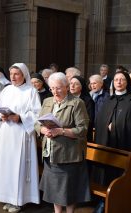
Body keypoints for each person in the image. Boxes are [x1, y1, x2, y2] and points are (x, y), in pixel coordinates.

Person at [35, 72, 90, 213]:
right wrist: (42, 130)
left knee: (69, 193)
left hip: (68, 155)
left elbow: (82, 130)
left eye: (58, 88)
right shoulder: (47, 101)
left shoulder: (77, 103)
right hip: (50, 153)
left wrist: (61, 131)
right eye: (52, 88)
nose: (55, 91)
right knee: (54, 192)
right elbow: (37, 123)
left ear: (66, 86)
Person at [0, 63, 41, 213]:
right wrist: (1, 116)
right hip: (6, 133)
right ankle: (7, 197)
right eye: (11, 74)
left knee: (18, 166)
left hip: (21, 133)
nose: (13, 77)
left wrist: (21, 117)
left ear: (23, 75)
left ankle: (18, 200)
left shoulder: (31, 91)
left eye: (16, 74)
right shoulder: (6, 90)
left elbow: (37, 114)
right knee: (6, 165)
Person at [95, 71, 131, 213]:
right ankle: (103, 202)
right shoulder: (108, 100)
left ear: (127, 83)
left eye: (122, 80)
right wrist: (106, 125)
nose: (119, 82)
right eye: (116, 79)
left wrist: (116, 127)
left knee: (119, 175)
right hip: (107, 144)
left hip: (124, 145)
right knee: (106, 174)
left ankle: (119, 201)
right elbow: (99, 122)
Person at [70, 76, 95, 142]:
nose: (72, 86)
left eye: (76, 84)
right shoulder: (66, 99)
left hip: (82, 136)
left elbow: (90, 120)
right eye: (71, 83)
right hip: (68, 135)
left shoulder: (88, 101)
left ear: (82, 86)